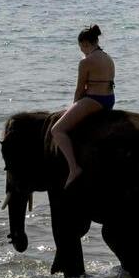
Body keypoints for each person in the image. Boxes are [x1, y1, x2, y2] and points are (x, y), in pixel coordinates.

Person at [52, 24, 115, 186]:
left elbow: (80, 89)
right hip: (109, 99)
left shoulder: (86, 61)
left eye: (82, 48)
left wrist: (74, 106)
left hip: (94, 100)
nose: (82, 51)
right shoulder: (108, 57)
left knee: (57, 130)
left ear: (86, 44)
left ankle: (74, 168)